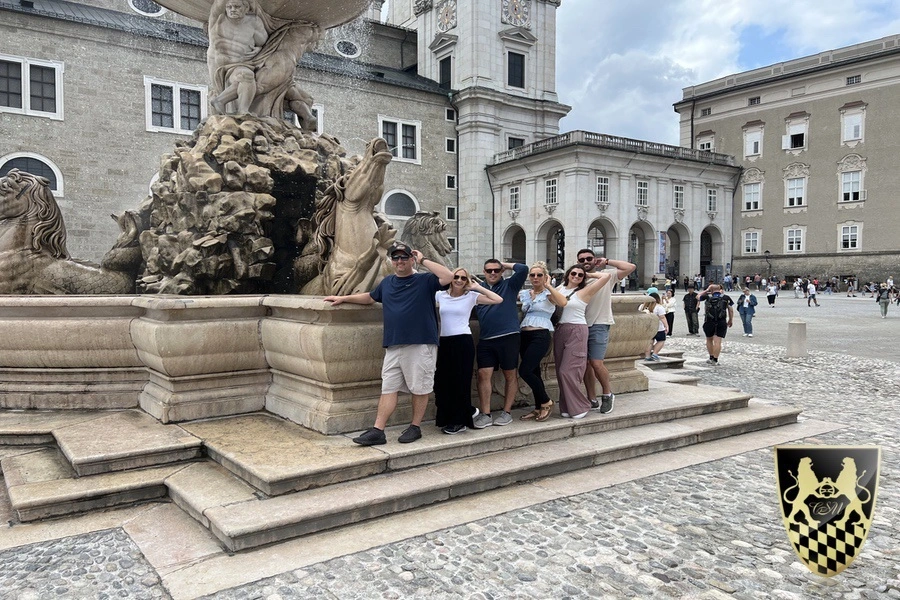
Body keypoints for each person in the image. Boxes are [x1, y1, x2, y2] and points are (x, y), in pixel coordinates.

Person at [324, 242, 453, 445]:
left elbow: (448, 277)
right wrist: (344, 298)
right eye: (396, 257)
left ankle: (415, 427)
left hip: (420, 343)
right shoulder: (387, 282)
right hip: (393, 344)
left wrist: (424, 259)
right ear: (392, 261)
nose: (399, 261)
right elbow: (370, 298)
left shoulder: (425, 280)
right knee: (388, 388)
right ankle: (378, 430)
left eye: (404, 257)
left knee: (420, 387)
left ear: (412, 259)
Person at [434, 268, 502, 434]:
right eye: (456, 276)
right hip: (444, 341)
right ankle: (463, 411)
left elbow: (498, 299)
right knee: (441, 382)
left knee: (461, 382)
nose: (459, 280)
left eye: (463, 278)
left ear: (467, 281)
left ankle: (460, 421)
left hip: (462, 341)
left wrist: (477, 287)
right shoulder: (440, 295)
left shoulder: (471, 297)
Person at [577, 248, 636, 415]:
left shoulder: (606, 276)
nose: (586, 262)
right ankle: (591, 398)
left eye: (589, 258)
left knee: (596, 363)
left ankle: (607, 394)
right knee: (586, 365)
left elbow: (630, 267)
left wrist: (607, 261)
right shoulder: (578, 278)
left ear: (594, 259)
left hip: (600, 323)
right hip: (580, 325)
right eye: (582, 260)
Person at [473, 259, 528, 429]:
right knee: (483, 374)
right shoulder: (476, 289)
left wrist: (506, 264)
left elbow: (524, 269)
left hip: (508, 336)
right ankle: (486, 413)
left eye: (496, 270)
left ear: (501, 271)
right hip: (486, 339)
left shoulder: (510, 285)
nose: (493, 273)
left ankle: (507, 412)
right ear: (484, 271)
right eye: (489, 270)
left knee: (510, 374)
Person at [555, 265, 611, 419]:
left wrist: (589, 274)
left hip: (577, 330)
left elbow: (606, 277)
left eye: (580, 275)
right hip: (560, 329)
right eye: (573, 273)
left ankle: (580, 405)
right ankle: (566, 406)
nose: (576, 276)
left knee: (568, 370)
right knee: (560, 370)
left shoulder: (586, 290)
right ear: (567, 275)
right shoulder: (559, 288)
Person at [517, 262, 567, 422]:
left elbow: (563, 302)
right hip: (524, 335)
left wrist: (549, 286)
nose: (535, 277)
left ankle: (546, 401)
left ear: (545, 277)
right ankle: (538, 407)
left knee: (525, 370)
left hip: (541, 335)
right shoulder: (525, 293)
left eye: (539, 275)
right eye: (532, 275)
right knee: (534, 371)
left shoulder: (549, 294)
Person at [207, 0, 269, 114]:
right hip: (222, 66)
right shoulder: (218, 19)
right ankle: (239, 110)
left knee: (246, 77)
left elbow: (263, 41)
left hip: (242, 64)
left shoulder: (254, 22)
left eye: (237, 6)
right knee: (246, 76)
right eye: (229, 7)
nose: (232, 10)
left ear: (246, 8)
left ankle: (232, 106)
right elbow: (216, 6)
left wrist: (259, 49)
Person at [697, 283, 734, 366]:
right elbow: (730, 309)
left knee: (709, 339)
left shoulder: (707, 297)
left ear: (711, 290)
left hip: (709, 321)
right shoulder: (726, 298)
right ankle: (715, 359)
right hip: (721, 321)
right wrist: (730, 320)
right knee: (718, 341)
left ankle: (711, 357)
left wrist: (706, 290)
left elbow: (698, 297)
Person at [641, 293, 668, 361]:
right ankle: (655, 353)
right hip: (658, 327)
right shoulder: (659, 307)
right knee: (661, 340)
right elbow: (662, 317)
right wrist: (666, 326)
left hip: (647, 328)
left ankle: (647, 356)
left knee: (649, 341)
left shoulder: (642, 307)